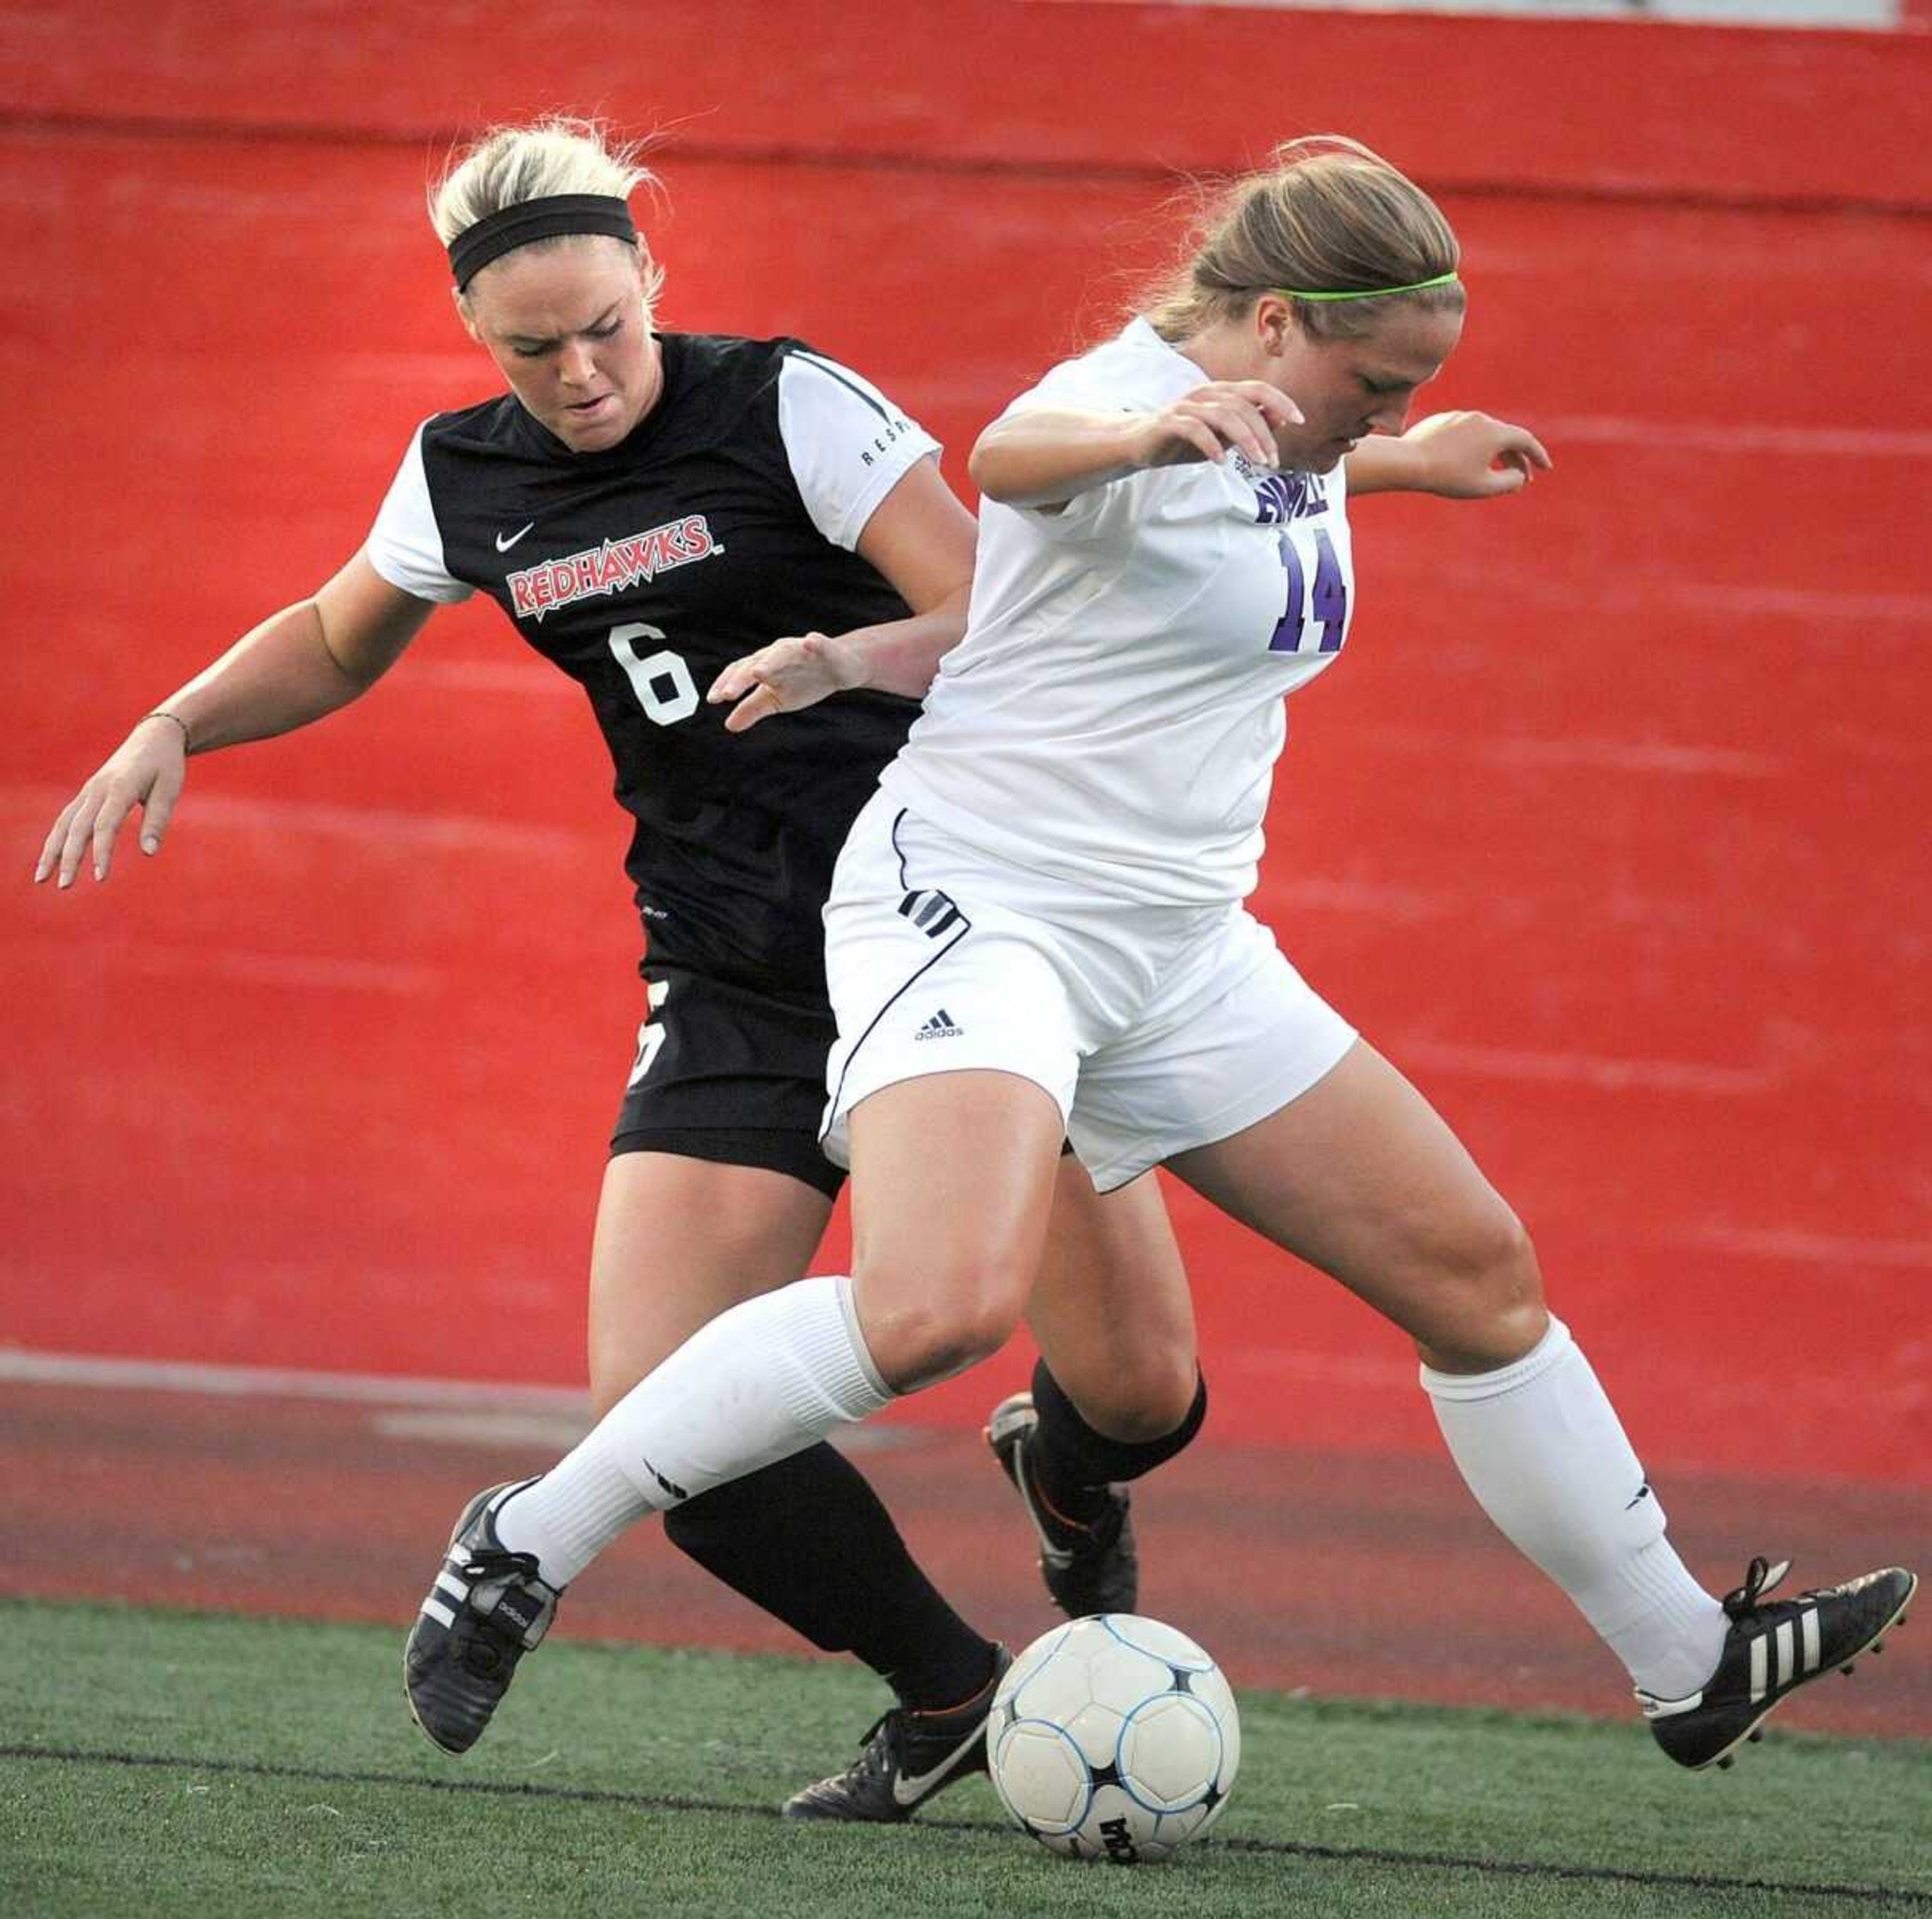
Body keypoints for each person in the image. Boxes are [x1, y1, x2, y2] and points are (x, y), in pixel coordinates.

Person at [448, 134, 1915, 1777]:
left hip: (1177, 940)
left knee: (1475, 1277)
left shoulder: (1291, 424)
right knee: (938, 1309)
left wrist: (1407, 462)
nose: (1389, 402)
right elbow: (1015, 462)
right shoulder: (1124, 399)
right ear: (1275, 322)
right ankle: (530, 1535)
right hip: (983, 904)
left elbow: (1203, 528)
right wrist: (1144, 429)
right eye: (1381, 379)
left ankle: (1687, 1663)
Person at [32, 117, 1218, 1823]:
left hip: (962, 931)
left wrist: (846, 665)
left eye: (608, 325)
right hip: (734, 961)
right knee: (663, 1416)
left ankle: (1073, 1470)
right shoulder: (464, 477)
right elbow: (339, 632)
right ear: (476, 340)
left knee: (1145, 1392)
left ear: (656, 279)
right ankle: (951, 1691)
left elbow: (993, 610)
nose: (583, 372)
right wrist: (174, 722)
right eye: (535, 347)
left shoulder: (787, 404)